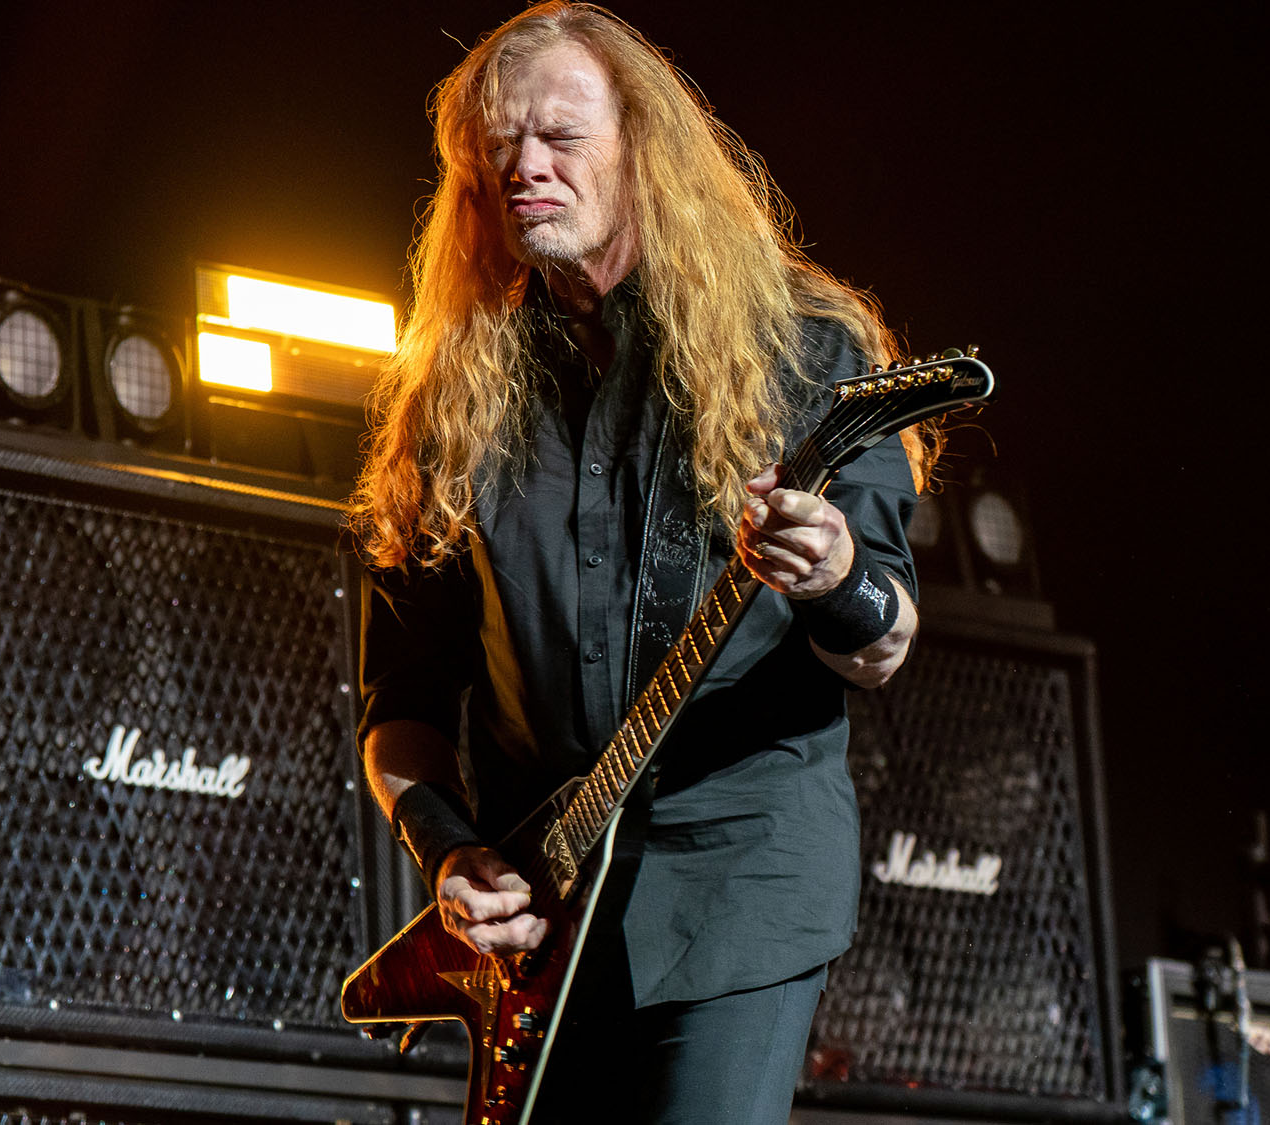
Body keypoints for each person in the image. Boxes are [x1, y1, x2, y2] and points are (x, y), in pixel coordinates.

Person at [351, 4, 930, 1120]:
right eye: (498, 149)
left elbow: (886, 642)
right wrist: (451, 856)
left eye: (561, 139)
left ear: (642, 148)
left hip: (739, 875)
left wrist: (834, 575)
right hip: (554, 903)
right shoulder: (457, 399)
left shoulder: (800, 350)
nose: (525, 167)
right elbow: (401, 707)